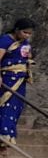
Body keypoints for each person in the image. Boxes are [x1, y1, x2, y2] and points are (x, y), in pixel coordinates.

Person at [0, 17, 34, 148]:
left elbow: (26, 56)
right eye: (25, 32)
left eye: (30, 33)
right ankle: (4, 135)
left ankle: (9, 136)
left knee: (16, 107)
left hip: (20, 80)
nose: (27, 35)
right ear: (17, 30)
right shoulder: (5, 40)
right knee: (6, 106)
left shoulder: (24, 42)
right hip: (8, 77)